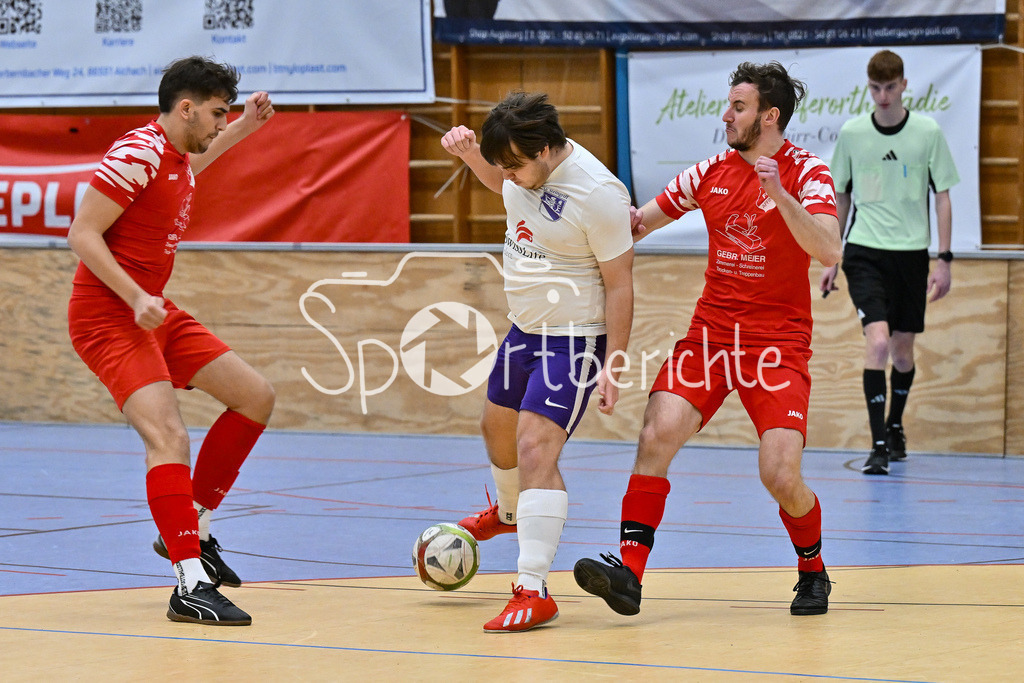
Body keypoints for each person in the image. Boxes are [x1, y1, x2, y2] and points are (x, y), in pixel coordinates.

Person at [573, 61, 841, 617]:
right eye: (729, 103)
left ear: (769, 116)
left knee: (780, 474)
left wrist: (779, 194)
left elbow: (829, 250)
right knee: (656, 434)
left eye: (739, 107)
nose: (727, 114)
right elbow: (637, 221)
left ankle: (812, 568)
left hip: (777, 345)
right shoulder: (710, 173)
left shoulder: (808, 173)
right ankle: (629, 573)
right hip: (712, 338)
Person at [67, 56, 276, 626]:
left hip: (150, 312)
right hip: (110, 316)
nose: (219, 123)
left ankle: (191, 526)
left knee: (255, 396)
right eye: (215, 113)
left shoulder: (178, 155)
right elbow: (81, 235)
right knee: (169, 437)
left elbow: (197, 161)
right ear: (185, 108)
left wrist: (246, 128)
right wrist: (136, 297)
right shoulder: (137, 153)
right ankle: (188, 582)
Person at [440, 91, 634, 632]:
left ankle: (533, 586)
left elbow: (620, 286)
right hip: (524, 329)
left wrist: (613, 367)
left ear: (547, 149)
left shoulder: (598, 195)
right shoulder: (518, 171)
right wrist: (473, 158)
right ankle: (508, 513)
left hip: (575, 338)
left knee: (534, 446)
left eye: (516, 165)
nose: (510, 176)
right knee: (496, 430)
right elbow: (504, 185)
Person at [820, 50, 959, 476]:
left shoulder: (927, 132)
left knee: (901, 353)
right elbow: (840, 196)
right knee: (877, 343)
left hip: (912, 255)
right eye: (875, 88)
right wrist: (831, 254)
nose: (882, 95)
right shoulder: (853, 133)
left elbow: (942, 197)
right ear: (869, 87)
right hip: (864, 251)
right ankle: (878, 445)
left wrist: (945, 259)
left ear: (903, 85)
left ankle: (895, 426)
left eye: (890, 87)